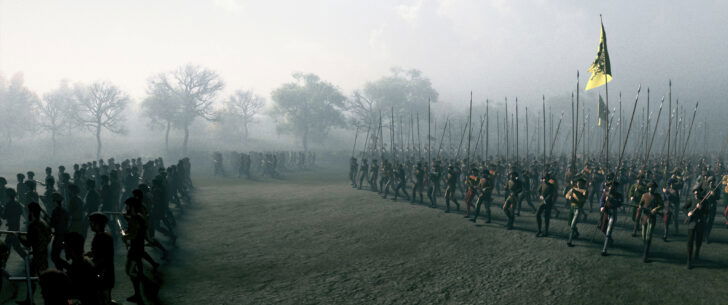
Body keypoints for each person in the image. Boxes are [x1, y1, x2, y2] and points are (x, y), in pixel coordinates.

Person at [18, 202, 52, 305]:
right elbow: (48, 237)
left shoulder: (33, 225)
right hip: (43, 254)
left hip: (37, 256)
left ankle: (32, 300)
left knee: (33, 278)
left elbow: (28, 244)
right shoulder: (43, 223)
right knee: (42, 279)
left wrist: (19, 237)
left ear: (31, 212)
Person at [88, 212, 116, 303]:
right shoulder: (101, 236)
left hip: (104, 272)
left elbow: (105, 257)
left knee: (105, 297)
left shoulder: (103, 238)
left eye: (92, 223)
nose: (90, 225)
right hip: (103, 271)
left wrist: (100, 272)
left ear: (97, 224)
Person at [638, 181, 664, 263]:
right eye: (650, 187)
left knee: (648, 237)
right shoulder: (644, 195)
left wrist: (655, 209)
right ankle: (645, 251)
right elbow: (641, 204)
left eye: (653, 187)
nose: (651, 188)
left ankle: (645, 255)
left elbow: (661, 205)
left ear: (655, 188)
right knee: (643, 236)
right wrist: (640, 207)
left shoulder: (657, 196)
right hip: (644, 217)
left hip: (652, 218)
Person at [684, 187, 709, 269]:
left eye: (697, 191)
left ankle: (697, 253)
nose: (696, 193)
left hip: (700, 223)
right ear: (693, 192)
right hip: (692, 223)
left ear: (700, 192)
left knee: (698, 241)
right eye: (695, 191)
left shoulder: (704, 201)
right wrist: (688, 213)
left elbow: (706, 213)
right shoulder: (690, 199)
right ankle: (688, 260)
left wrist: (701, 208)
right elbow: (684, 208)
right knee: (690, 242)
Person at [599, 181, 623, 256]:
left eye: (613, 187)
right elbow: (601, 201)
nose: (611, 188)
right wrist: (602, 206)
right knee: (603, 229)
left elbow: (619, 203)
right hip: (606, 213)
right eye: (610, 186)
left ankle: (604, 250)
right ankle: (610, 239)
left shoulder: (619, 195)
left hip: (613, 213)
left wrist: (612, 200)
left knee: (608, 231)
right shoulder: (605, 193)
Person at [565, 178, 588, 246]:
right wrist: (569, 197)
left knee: (572, 225)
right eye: (578, 182)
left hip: (578, 208)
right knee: (570, 223)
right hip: (572, 207)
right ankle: (576, 233)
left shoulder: (585, 191)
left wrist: (574, 194)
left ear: (583, 184)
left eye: (580, 183)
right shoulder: (574, 189)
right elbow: (566, 195)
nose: (578, 184)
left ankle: (570, 241)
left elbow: (581, 200)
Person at [536, 173, 559, 237]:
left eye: (546, 178)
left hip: (548, 203)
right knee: (537, 215)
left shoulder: (551, 185)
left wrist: (545, 200)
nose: (545, 179)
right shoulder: (542, 183)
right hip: (542, 202)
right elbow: (539, 191)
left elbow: (551, 195)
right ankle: (539, 230)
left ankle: (546, 231)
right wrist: (540, 196)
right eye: (544, 178)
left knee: (546, 218)